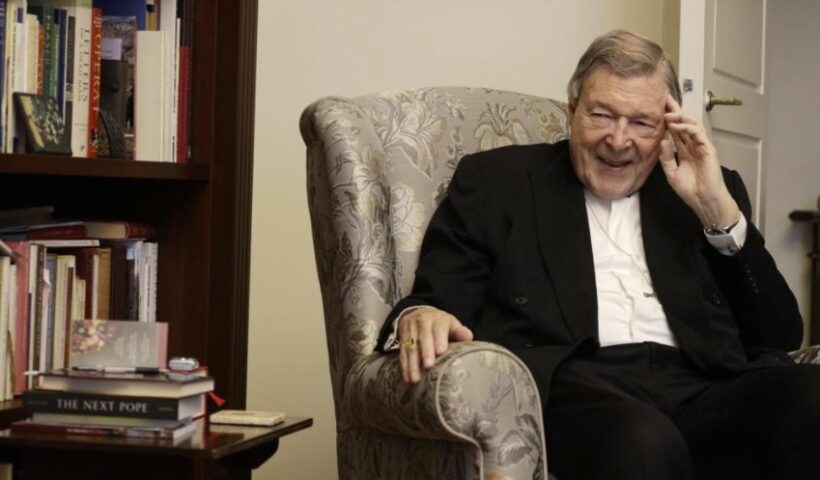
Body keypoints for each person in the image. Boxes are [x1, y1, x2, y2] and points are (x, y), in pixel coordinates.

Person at [377, 30, 820, 479]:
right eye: (602, 114)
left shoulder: (706, 188)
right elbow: (438, 299)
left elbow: (779, 333)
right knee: (644, 441)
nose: (619, 139)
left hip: (702, 383)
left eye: (642, 123)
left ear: (666, 126)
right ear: (572, 111)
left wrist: (715, 208)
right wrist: (422, 313)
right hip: (581, 385)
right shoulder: (497, 182)